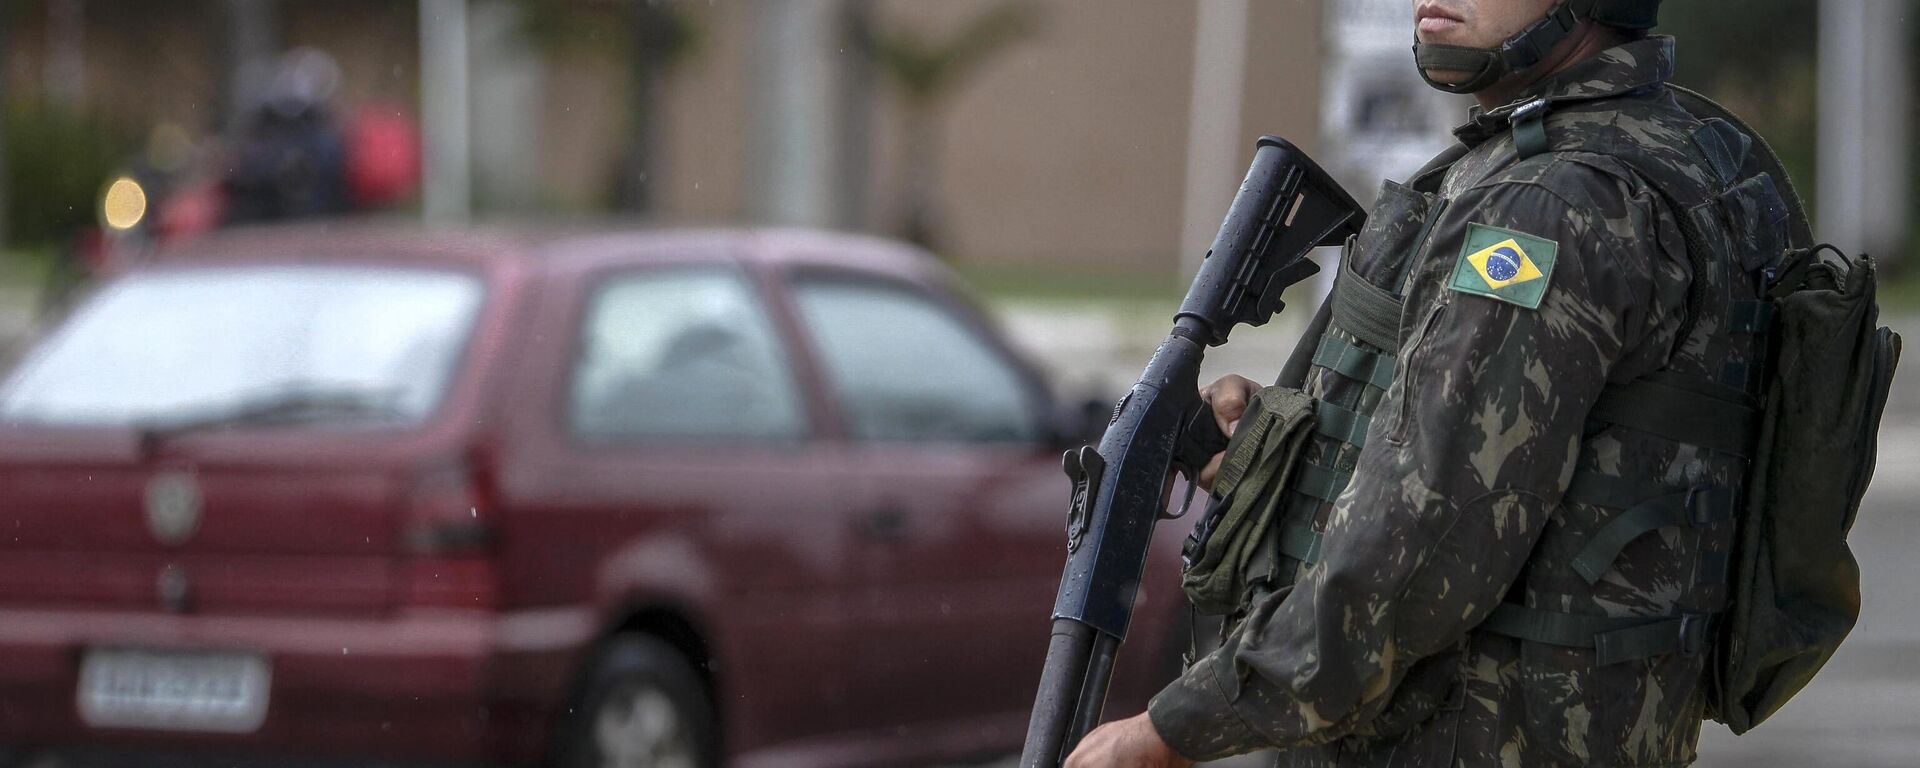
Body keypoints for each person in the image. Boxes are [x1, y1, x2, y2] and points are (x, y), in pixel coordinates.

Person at [1067, 0, 1786, 765]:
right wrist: (1276, 454)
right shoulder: (1668, 151)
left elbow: (1428, 536)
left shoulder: (1546, 207)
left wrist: (1174, 730)